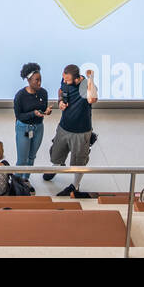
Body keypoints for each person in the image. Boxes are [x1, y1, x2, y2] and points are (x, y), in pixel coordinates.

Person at [45, 65, 96, 197]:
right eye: (64, 79)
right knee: (56, 153)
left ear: (77, 78)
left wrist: (90, 79)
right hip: (64, 127)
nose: (65, 82)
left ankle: (75, 186)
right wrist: (60, 101)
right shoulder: (65, 80)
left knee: (79, 162)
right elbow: (61, 90)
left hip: (81, 132)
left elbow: (92, 99)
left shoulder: (85, 85)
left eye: (68, 80)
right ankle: (56, 167)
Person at [13, 63, 52, 182]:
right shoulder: (20, 96)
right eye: (36, 80)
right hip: (24, 128)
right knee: (22, 160)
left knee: (31, 157)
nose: (39, 83)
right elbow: (19, 116)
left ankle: (25, 180)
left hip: (38, 128)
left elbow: (43, 108)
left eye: (40, 80)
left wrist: (46, 112)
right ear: (29, 80)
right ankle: (16, 182)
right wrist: (33, 114)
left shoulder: (43, 93)